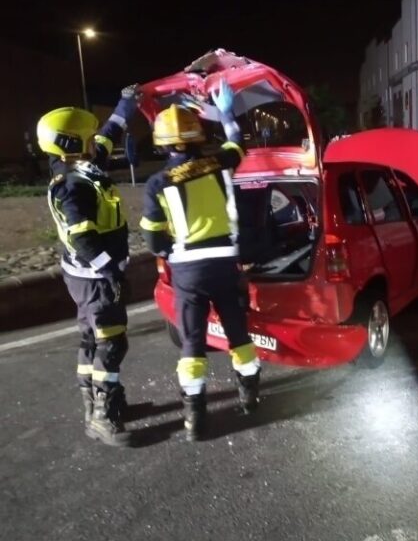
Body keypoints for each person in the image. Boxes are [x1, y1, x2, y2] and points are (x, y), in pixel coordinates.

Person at [139, 80, 261, 442]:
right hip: (226, 263)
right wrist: (225, 112)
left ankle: (195, 418)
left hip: (189, 271)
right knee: (237, 332)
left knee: (193, 342)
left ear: (162, 144)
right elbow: (237, 142)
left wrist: (169, 252)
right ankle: (250, 396)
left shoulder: (157, 183)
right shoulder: (220, 163)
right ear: (196, 136)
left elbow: (152, 237)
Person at [38, 84, 139, 447]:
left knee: (90, 338)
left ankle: (92, 401)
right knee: (111, 344)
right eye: (86, 136)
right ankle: (102, 416)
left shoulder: (80, 165)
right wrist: (111, 272)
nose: (94, 139)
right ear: (70, 143)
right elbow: (83, 239)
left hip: (81, 276)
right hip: (96, 277)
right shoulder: (72, 185)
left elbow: (110, 134)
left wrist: (126, 105)